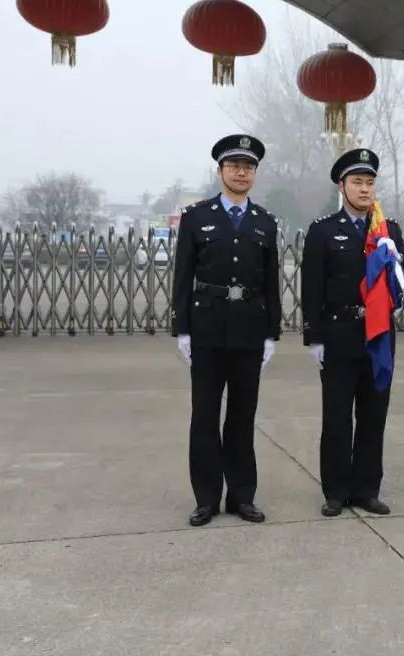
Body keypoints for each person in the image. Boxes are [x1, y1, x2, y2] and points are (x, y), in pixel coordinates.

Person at [300, 148, 404, 517]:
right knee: (336, 418)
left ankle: (367, 489)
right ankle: (336, 491)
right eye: (357, 182)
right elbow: (312, 287)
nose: (365, 189)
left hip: (379, 337)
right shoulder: (323, 230)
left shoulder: (388, 230)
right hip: (339, 334)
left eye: (370, 182)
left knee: (373, 417)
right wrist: (314, 337)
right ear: (342, 186)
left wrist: (396, 256)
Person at [171, 134, 281, 527]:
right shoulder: (197, 217)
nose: (241, 172)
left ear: (254, 174)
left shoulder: (265, 222)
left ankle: (241, 496)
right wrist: (181, 328)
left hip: (250, 329)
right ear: (220, 171)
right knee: (204, 416)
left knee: (242, 416)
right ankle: (205, 498)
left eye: (248, 167)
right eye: (234, 166)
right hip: (207, 329)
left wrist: (272, 333)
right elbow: (183, 275)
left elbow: (271, 281)